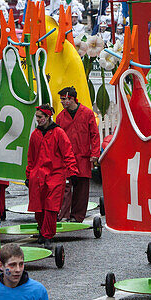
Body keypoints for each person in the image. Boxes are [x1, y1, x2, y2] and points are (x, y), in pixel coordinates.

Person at [26, 104, 77, 243]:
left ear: (48, 117)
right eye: (37, 117)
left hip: (55, 174)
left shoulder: (59, 133)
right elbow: (31, 157)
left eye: (40, 117)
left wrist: (72, 172)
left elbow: (68, 153)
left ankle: (47, 235)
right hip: (38, 175)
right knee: (39, 207)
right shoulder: (35, 134)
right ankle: (42, 230)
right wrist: (28, 175)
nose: (37, 119)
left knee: (51, 207)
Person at [55, 87, 100, 222]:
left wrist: (95, 153)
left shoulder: (87, 113)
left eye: (64, 99)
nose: (62, 102)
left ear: (71, 98)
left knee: (82, 187)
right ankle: (63, 215)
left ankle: (77, 216)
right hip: (66, 157)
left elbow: (94, 135)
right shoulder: (60, 117)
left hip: (83, 156)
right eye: (61, 99)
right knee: (66, 186)